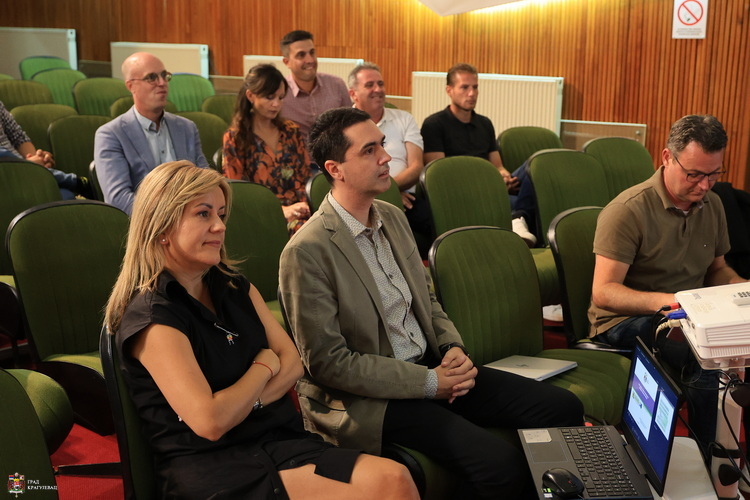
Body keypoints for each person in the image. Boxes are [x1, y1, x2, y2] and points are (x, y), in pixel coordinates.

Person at [279, 107, 584, 499]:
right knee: (499, 464)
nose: (386, 157)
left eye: (382, 145)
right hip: (372, 397)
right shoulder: (307, 251)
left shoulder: (392, 217)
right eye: (369, 150)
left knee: (563, 407)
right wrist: (429, 383)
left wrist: (452, 347)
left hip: (431, 366)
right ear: (335, 169)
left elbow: (429, 301)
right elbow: (328, 363)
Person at [103, 160, 418, 500]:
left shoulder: (233, 286)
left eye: (221, 214)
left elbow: (293, 363)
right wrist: (264, 366)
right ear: (162, 226)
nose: (219, 226)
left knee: (395, 477)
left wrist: (241, 403)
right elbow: (211, 422)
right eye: (203, 214)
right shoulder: (153, 315)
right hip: (215, 468)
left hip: (280, 442)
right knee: (390, 482)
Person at [588, 114, 748, 451]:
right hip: (624, 320)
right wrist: (674, 302)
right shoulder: (628, 210)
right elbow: (604, 293)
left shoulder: (713, 204)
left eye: (713, 174)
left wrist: (741, 290)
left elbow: (717, 270)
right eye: (694, 174)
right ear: (666, 158)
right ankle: (710, 456)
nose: (704, 186)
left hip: (689, 312)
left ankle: (738, 458)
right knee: (703, 354)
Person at [420, 63, 536, 247]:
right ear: (449, 90)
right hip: (464, 191)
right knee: (519, 202)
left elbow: (498, 166)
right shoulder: (434, 124)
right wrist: (489, 184)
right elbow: (438, 177)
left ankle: (518, 217)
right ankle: (518, 218)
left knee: (534, 164)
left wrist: (504, 177)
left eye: (475, 87)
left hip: (492, 185)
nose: (471, 93)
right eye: (464, 87)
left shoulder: (484, 123)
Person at [94, 52, 208, 215]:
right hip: (144, 224)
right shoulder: (111, 134)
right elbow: (118, 199)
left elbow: (205, 180)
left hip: (192, 219)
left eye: (164, 76)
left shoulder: (186, 128)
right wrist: (170, 216)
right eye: (151, 78)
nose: (162, 83)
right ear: (131, 86)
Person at [348, 62, 432, 254]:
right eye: (369, 85)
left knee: (440, 221)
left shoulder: (404, 119)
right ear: (353, 94)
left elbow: (416, 166)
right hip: (363, 201)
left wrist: (390, 190)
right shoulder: (344, 126)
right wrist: (387, 193)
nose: (378, 89)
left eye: (380, 84)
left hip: (406, 198)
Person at [222, 64, 312, 234]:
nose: (276, 104)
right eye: (269, 97)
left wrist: (305, 206)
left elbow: (304, 177)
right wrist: (281, 210)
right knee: (308, 235)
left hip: (299, 210)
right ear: (250, 96)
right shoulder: (236, 138)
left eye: (280, 97)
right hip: (261, 215)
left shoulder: (290, 130)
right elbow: (238, 194)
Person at [0, 100, 91, 199]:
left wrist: (38, 161)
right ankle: (75, 182)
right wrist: (27, 165)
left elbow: (18, 137)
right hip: (7, 179)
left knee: (65, 195)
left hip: (24, 176)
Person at [279, 30, 351, 138]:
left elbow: (350, 126)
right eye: (301, 55)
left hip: (334, 148)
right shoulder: (280, 93)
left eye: (312, 52)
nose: (310, 60)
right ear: (287, 62)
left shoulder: (337, 85)